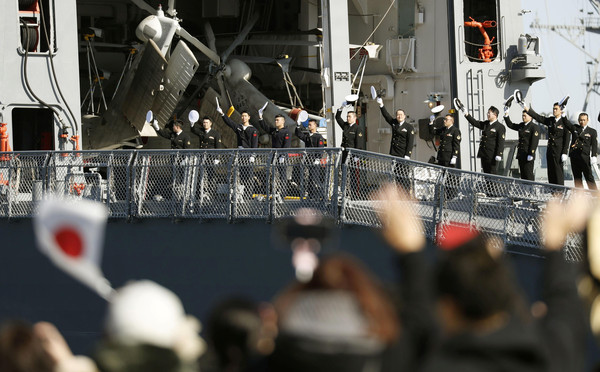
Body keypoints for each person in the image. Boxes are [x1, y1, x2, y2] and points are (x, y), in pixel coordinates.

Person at [375, 185, 588, 372]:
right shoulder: (550, 358)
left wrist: (411, 251)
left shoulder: (430, 363)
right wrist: (555, 241)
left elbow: (420, 325)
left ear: (447, 309)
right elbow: (564, 303)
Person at [519, 99, 571, 185]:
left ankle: (560, 194)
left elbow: (567, 138)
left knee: (558, 173)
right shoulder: (551, 120)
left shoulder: (565, 122)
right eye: (553, 109)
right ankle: (553, 194)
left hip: (558, 152)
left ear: (561, 110)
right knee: (551, 173)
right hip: (550, 150)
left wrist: (565, 152)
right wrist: (526, 107)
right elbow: (538, 117)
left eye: (556, 109)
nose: (554, 110)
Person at [458, 104, 505, 174]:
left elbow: (501, 142)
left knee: (492, 174)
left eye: (489, 113)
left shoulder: (500, 127)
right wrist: (466, 114)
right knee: (486, 174)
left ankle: (494, 185)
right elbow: (475, 123)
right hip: (484, 153)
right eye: (488, 113)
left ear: (495, 114)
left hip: (492, 155)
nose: (487, 114)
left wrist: (499, 154)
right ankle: (487, 185)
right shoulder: (486, 124)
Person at [563, 112, 598, 190]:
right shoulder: (575, 128)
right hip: (575, 156)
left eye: (584, 120)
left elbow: (594, 145)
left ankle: (595, 196)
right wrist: (563, 114)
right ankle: (580, 196)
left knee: (589, 177)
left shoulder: (592, 131)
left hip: (585, 157)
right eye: (581, 120)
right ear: (578, 120)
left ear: (587, 120)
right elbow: (566, 123)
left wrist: (594, 156)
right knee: (577, 178)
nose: (582, 122)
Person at [504, 107, 540, 181]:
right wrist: (506, 115)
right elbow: (510, 125)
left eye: (525, 116)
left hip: (528, 154)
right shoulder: (521, 125)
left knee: (528, 175)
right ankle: (525, 191)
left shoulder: (534, 127)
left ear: (530, 117)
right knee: (523, 175)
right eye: (522, 115)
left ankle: (531, 191)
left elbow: (534, 142)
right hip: (521, 154)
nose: (523, 117)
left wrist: (531, 153)